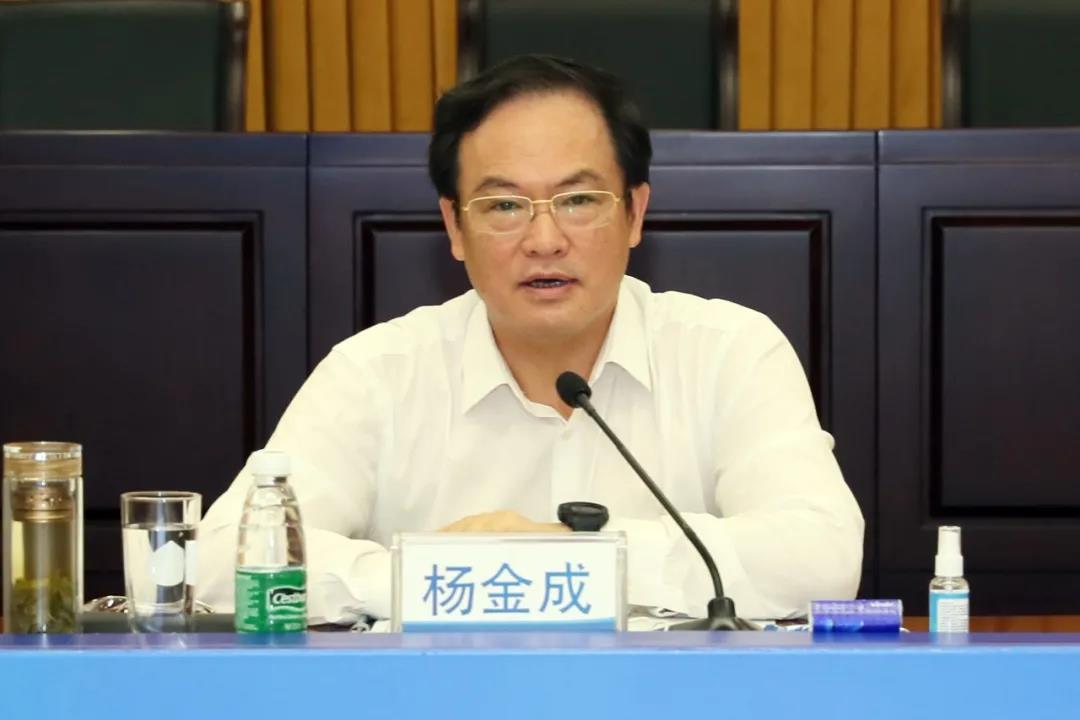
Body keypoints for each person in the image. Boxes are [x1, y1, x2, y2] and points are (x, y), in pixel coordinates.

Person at [197, 55, 864, 625]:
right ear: (454, 229)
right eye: (504, 206)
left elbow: (820, 554)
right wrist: (428, 572)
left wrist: (567, 555)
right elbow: (223, 562)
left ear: (635, 213)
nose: (545, 240)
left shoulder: (729, 353)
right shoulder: (375, 373)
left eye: (578, 201)